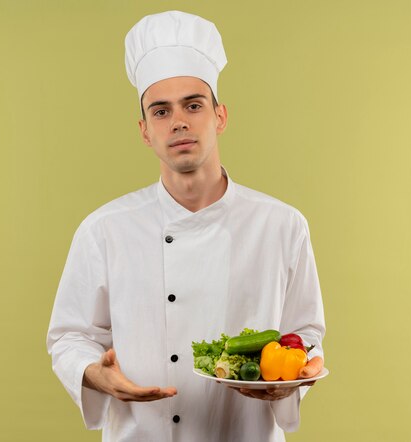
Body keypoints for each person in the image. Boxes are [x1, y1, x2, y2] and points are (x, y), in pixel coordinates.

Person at [46, 10, 325, 442]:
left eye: (193, 105)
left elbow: (304, 335)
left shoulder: (282, 225)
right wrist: (95, 375)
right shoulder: (104, 229)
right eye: (160, 111)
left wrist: (294, 374)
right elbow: (70, 336)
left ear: (220, 116)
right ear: (144, 131)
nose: (178, 121)